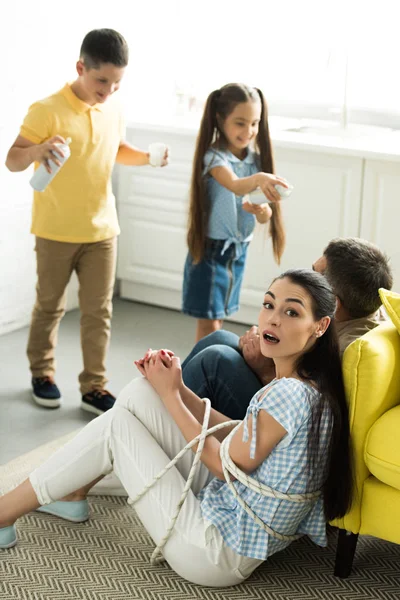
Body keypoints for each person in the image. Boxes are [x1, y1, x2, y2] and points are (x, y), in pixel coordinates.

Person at [0, 269, 353, 588]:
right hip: (228, 507)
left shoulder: (287, 395)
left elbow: (221, 464)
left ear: (320, 326)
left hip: (214, 552)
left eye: (291, 312)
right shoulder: (309, 384)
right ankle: (69, 490)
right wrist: (179, 388)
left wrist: (170, 396)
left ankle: (8, 510)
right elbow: (241, 435)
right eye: (268, 305)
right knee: (141, 392)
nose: (272, 320)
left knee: (118, 426)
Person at [5, 29, 168, 414]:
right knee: (50, 307)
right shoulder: (46, 110)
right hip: (55, 231)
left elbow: (116, 150)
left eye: (116, 83)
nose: (108, 91)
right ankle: (41, 374)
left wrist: (147, 157)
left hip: (102, 230)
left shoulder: (113, 107)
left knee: (99, 312)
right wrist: (39, 149)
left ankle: (94, 385)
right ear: (81, 67)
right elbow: (13, 159)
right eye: (101, 81)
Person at [182, 237, 393, 420]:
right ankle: (159, 393)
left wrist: (264, 371)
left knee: (215, 361)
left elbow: (300, 405)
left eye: (315, 277)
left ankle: (162, 414)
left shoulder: (343, 351)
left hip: (290, 426)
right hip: (290, 396)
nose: (307, 281)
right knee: (220, 338)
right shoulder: (373, 310)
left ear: (334, 304)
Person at [182, 83, 287, 342]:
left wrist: (262, 211)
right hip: (212, 250)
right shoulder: (215, 158)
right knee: (209, 322)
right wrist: (260, 178)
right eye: (240, 123)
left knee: (219, 316)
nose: (249, 131)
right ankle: (203, 372)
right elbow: (235, 185)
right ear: (220, 119)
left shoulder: (254, 160)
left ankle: (206, 370)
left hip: (238, 250)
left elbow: (263, 216)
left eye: (254, 123)